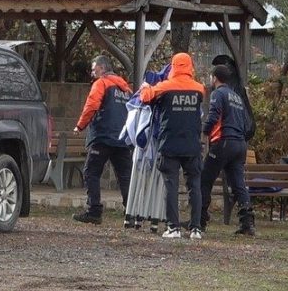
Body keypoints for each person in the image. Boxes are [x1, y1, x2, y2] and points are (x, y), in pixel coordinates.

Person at [138, 53, 206, 239]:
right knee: (195, 187)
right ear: (190, 67)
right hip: (192, 145)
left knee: (171, 186)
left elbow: (145, 98)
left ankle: (173, 228)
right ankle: (196, 228)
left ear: (173, 66)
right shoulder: (199, 89)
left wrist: (145, 86)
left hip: (170, 144)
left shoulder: (165, 87)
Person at [72, 56, 133, 224]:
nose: (92, 73)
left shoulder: (102, 83)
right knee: (125, 176)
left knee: (91, 172)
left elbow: (92, 105)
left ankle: (94, 211)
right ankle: (131, 213)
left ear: (102, 68)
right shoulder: (126, 88)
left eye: (94, 69)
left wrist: (80, 126)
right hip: (123, 139)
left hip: (103, 137)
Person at [200, 63, 255, 236]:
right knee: (239, 184)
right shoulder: (236, 97)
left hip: (224, 142)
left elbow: (213, 115)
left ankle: (199, 219)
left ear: (215, 78)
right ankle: (247, 223)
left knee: (204, 179)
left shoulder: (218, 94)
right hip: (240, 145)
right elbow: (247, 122)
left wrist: (204, 131)